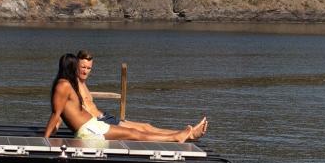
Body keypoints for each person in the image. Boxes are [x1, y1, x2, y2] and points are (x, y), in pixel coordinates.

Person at [43, 51, 208, 143]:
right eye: (80, 67)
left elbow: (62, 111)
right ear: (72, 67)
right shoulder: (66, 84)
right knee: (136, 133)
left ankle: (183, 134)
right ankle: (179, 136)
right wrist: (45, 139)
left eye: (88, 68)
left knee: (142, 128)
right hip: (93, 126)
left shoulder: (69, 84)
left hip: (96, 122)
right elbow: (57, 114)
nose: (84, 70)